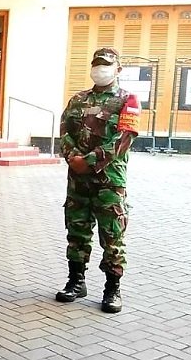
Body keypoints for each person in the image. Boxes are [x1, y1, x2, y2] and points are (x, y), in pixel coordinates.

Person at [56, 47, 140, 314]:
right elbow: (65, 132)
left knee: (112, 235)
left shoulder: (128, 100)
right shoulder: (78, 99)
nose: (100, 69)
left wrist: (90, 161)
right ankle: (76, 281)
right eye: (96, 64)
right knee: (77, 231)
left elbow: (124, 139)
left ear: (118, 69)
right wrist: (73, 157)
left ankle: (112, 289)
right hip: (78, 180)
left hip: (109, 182)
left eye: (106, 64)